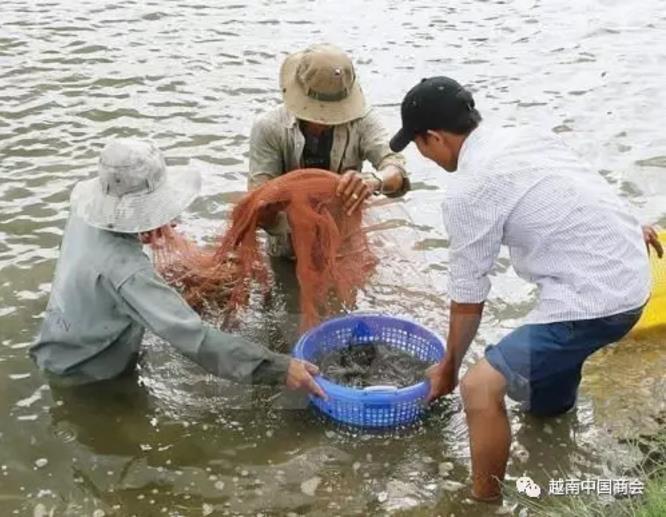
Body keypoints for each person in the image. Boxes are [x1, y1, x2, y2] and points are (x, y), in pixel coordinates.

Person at [389, 76, 664, 501]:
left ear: (434, 138)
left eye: (419, 146)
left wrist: (449, 368)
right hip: (629, 272)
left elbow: (468, 296)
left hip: (598, 300)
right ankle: (556, 438)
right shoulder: (523, 135)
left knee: (479, 389)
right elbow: (584, 185)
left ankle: (482, 502)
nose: (423, 156)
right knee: (543, 398)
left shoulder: (469, 189)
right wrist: (628, 228)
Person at [30, 138, 325, 399]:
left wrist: (141, 226)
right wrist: (279, 368)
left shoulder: (84, 212)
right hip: (89, 377)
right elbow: (194, 339)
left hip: (57, 347)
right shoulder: (127, 272)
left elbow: (106, 252)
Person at [248, 43, 410, 258]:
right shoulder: (268, 127)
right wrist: (267, 206)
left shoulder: (363, 121)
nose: (323, 121)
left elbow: (395, 169)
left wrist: (373, 180)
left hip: (344, 247)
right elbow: (258, 196)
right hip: (287, 249)